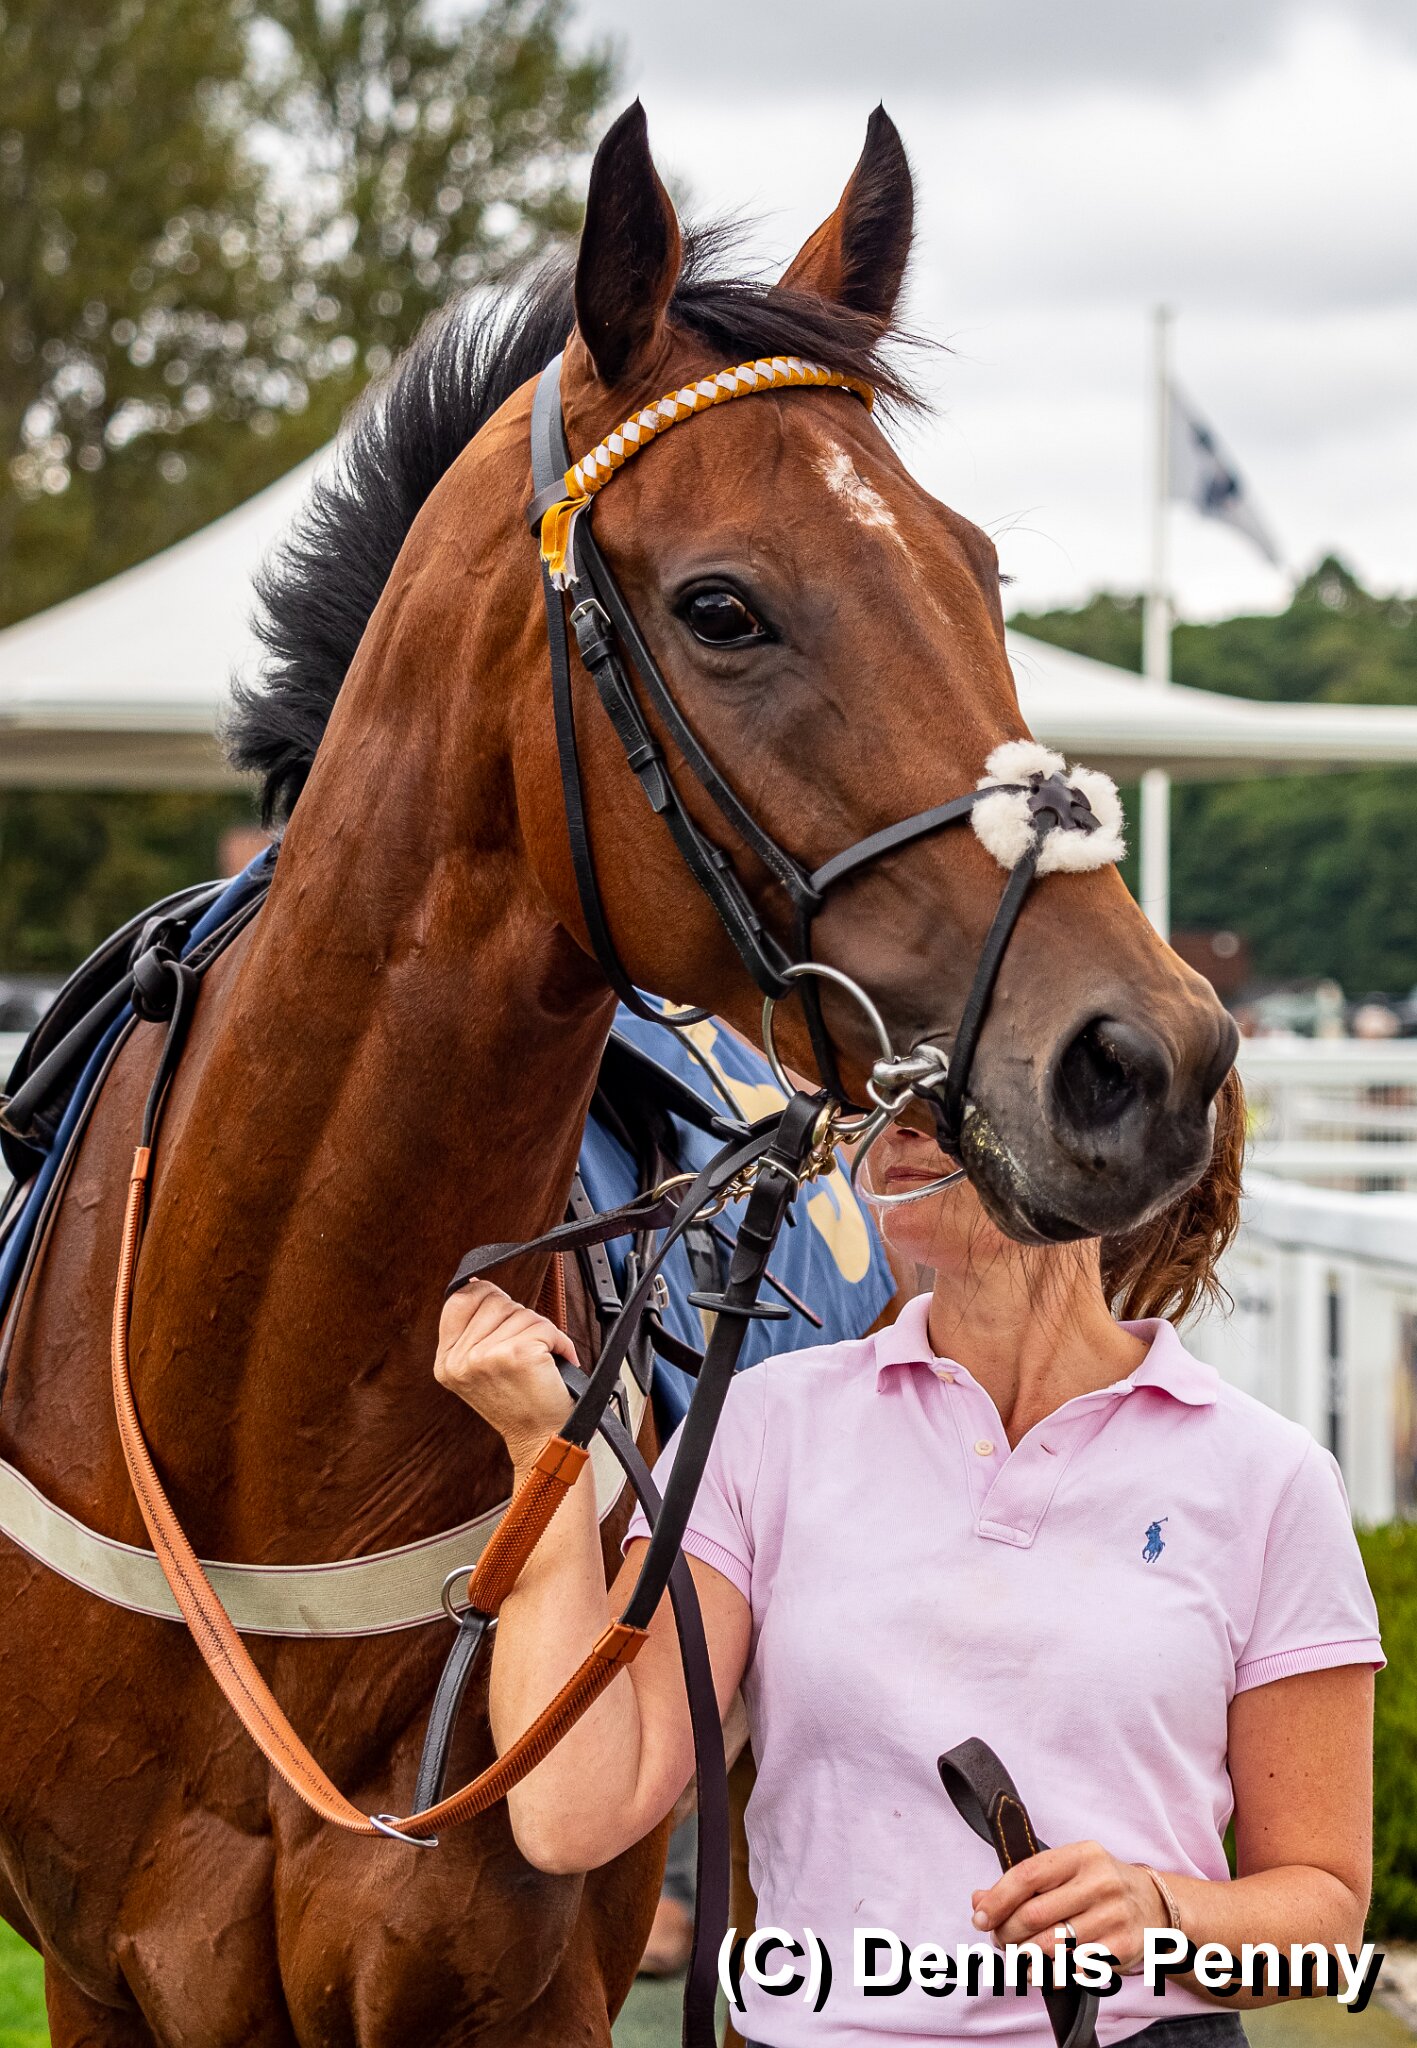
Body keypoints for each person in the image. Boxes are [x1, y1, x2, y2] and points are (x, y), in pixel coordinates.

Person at [433, 1078, 1381, 2048]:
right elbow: (570, 1812)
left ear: (1117, 1155)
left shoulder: (1269, 1477)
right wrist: (543, 1456)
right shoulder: (762, 1425)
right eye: (892, 1096)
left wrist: (1162, 1914)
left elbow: (1324, 1926)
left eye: (961, 1094)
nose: (902, 1128)